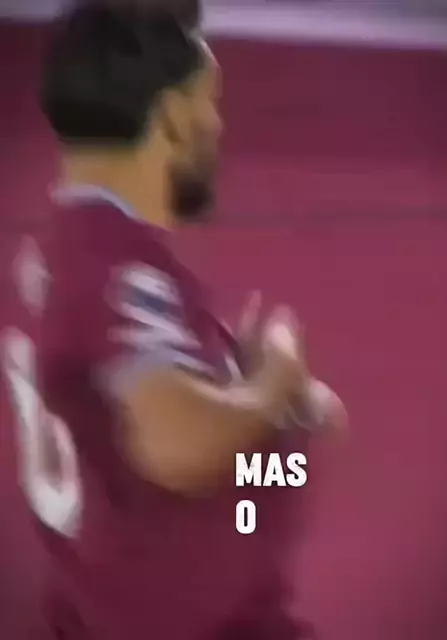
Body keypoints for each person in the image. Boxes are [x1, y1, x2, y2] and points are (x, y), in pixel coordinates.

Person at [1, 5, 345, 638]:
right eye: (209, 104)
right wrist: (275, 387)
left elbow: (137, 432)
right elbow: (177, 444)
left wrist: (265, 408)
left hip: (124, 604)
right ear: (170, 120)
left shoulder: (58, 254)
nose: (218, 126)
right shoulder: (114, 268)